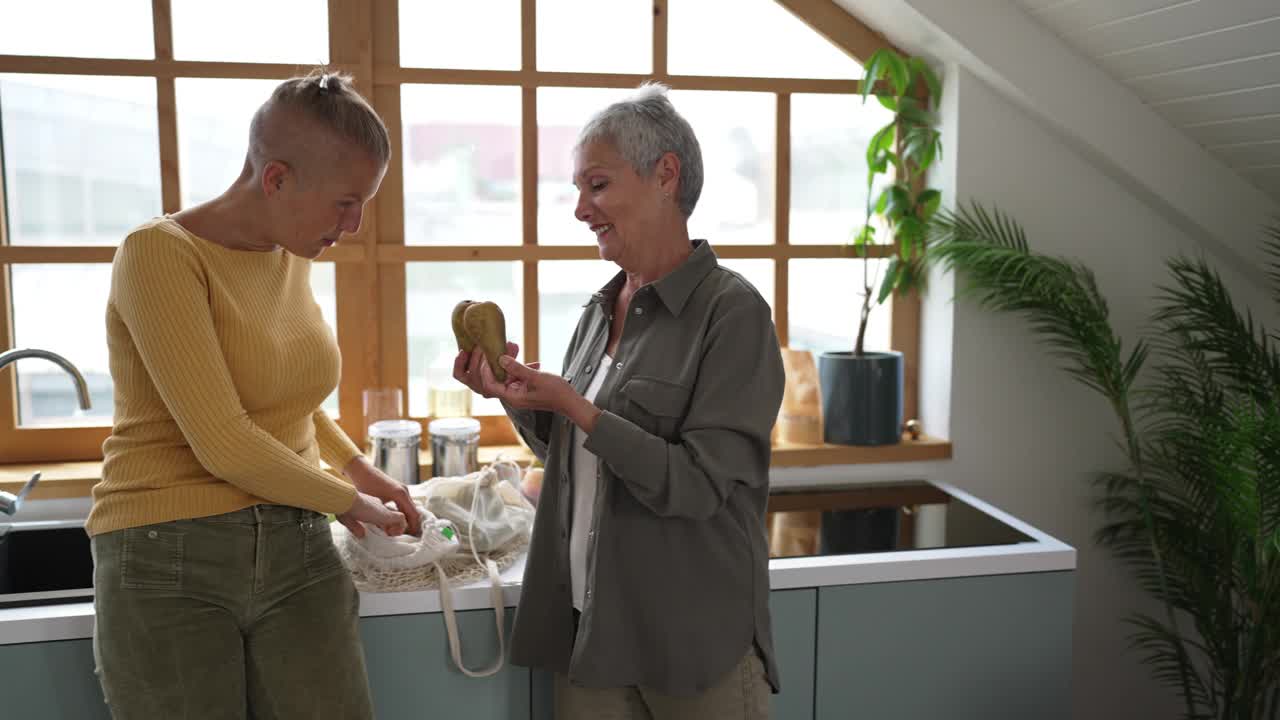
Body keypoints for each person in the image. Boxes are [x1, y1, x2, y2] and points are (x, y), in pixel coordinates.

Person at [88, 70, 422, 720]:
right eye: (344, 203)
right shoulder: (157, 256)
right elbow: (223, 441)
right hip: (168, 553)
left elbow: (285, 395)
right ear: (276, 179)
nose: (353, 225)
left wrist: (356, 466)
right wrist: (347, 501)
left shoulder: (291, 248)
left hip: (296, 541)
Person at [455, 83, 785, 719]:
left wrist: (578, 407)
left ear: (665, 175)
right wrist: (517, 399)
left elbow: (697, 486)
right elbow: (574, 455)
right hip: (594, 634)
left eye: (597, 186)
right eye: (579, 190)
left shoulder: (732, 314)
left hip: (695, 645)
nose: (580, 209)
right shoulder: (601, 308)